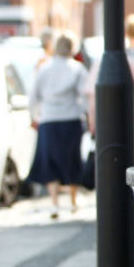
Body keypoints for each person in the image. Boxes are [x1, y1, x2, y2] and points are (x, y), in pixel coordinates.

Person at [28, 30, 88, 217]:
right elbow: (85, 96)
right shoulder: (77, 68)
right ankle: (73, 201)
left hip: (48, 120)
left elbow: (32, 96)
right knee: (71, 159)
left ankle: (54, 203)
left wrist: (33, 117)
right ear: (72, 48)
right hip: (70, 119)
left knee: (50, 161)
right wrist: (85, 115)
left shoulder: (44, 68)